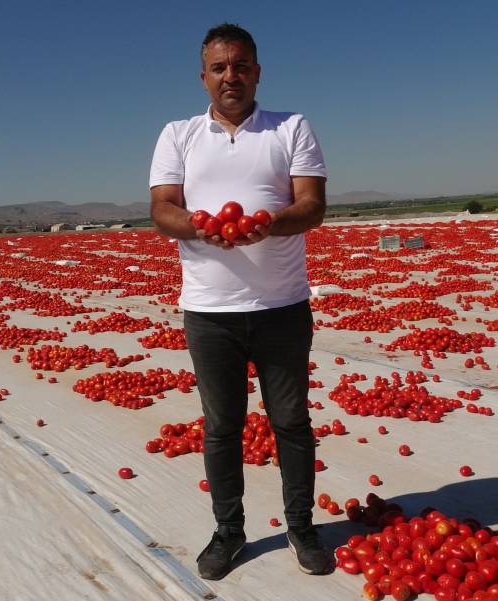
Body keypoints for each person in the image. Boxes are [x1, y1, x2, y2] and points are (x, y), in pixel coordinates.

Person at [148, 23, 332, 580]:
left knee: (291, 422)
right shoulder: (178, 134)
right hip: (210, 310)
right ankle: (229, 532)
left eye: (242, 65)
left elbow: (313, 206)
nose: (232, 75)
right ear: (203, 76)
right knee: (222, 426)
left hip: (281, 306)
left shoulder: (290, 127)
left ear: (257, 71)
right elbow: (161, 209)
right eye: (220, 67)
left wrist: (270, 223)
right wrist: (199, 227)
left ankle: (301, 527)